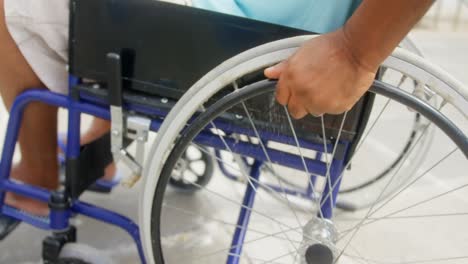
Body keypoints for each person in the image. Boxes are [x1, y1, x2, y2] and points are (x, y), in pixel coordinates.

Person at [0, 0, 433, 238]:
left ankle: (37, 176)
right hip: (300, 26)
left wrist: (354, 53)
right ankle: (103, 137)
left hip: (233, 25)